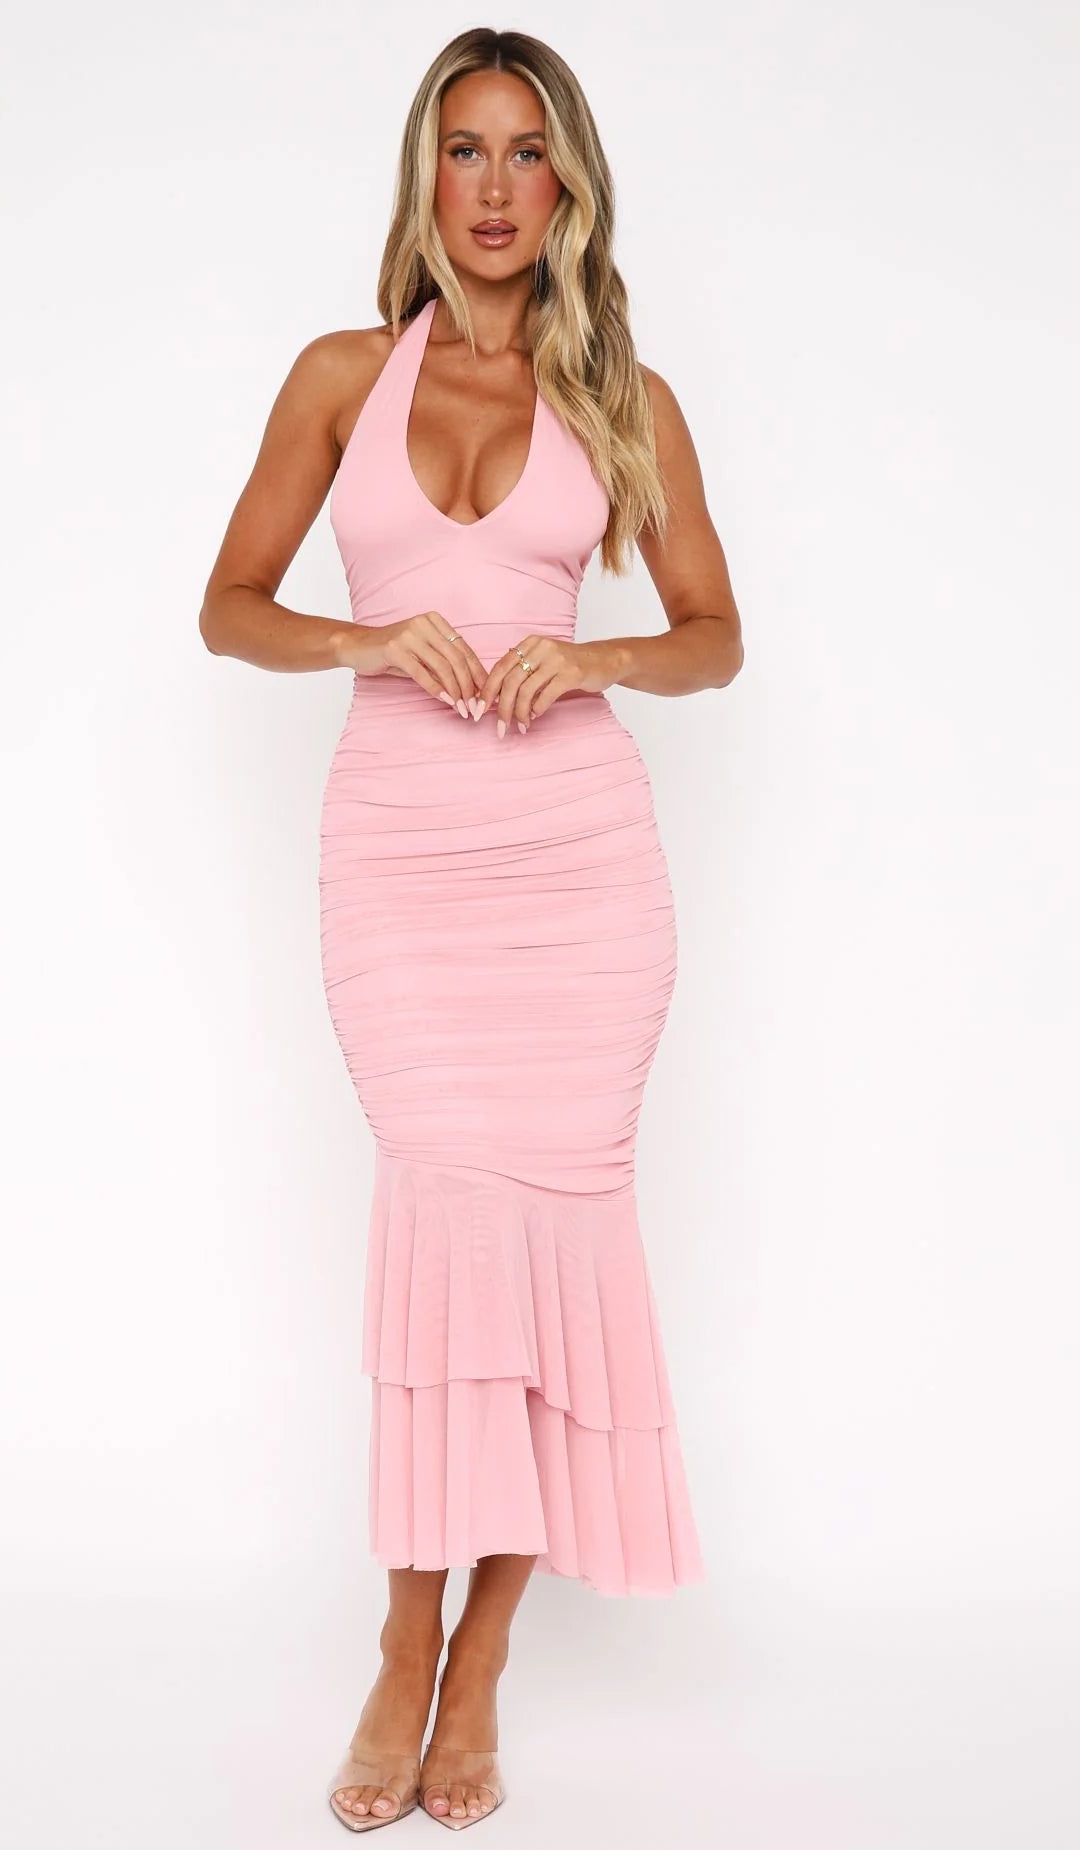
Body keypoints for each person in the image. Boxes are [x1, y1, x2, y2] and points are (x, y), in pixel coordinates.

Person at [199, 26, 742, 1835]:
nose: (493, 188)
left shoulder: (623, 398)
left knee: (562, 1248)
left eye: (525, 152)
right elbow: (229, 603)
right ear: (422, 177)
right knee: (443, 1228)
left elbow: (716, 634)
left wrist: (596, 655)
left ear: (568, 182)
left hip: (579, 872)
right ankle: (400, 1634)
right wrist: (363, 637)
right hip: (405, 863)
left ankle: (484, 1651)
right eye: (463, 149)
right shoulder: (341, 375)